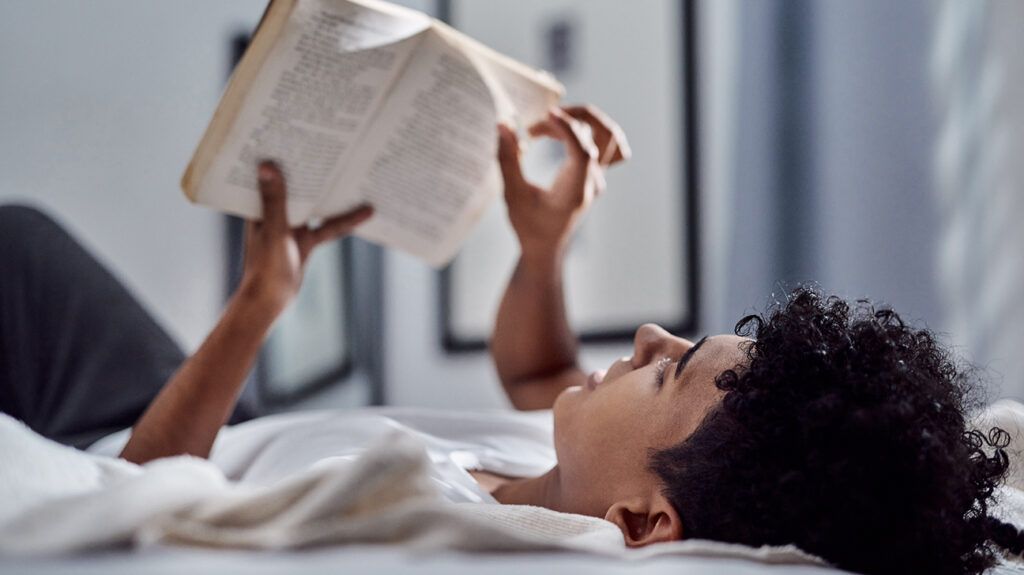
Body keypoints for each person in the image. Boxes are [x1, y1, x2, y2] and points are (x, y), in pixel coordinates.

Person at [0, 105, 1017, 575]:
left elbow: (133, 487)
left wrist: (259, 306)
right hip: (255, 424)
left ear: (645, 520)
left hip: (150, 436)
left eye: (667, 368)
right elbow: (532, 369)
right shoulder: (581, 467)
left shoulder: (432, 525)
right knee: (22, 240)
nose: (652, 332)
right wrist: (542, 252)